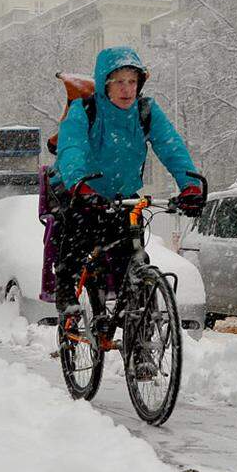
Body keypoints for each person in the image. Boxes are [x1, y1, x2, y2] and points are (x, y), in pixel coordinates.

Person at [48, 46, 204, 318]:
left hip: (123, 195)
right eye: (119, 82)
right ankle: (66, 287)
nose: (126, 89)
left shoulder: (146, 111)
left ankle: (136, 323)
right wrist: (80, 186)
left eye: (132, 82)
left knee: (132, 255)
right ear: (105, 84)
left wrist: (190, 185)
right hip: (82, 190)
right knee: (75, 235)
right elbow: (72, 148)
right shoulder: (84, 110)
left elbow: (171, 147)